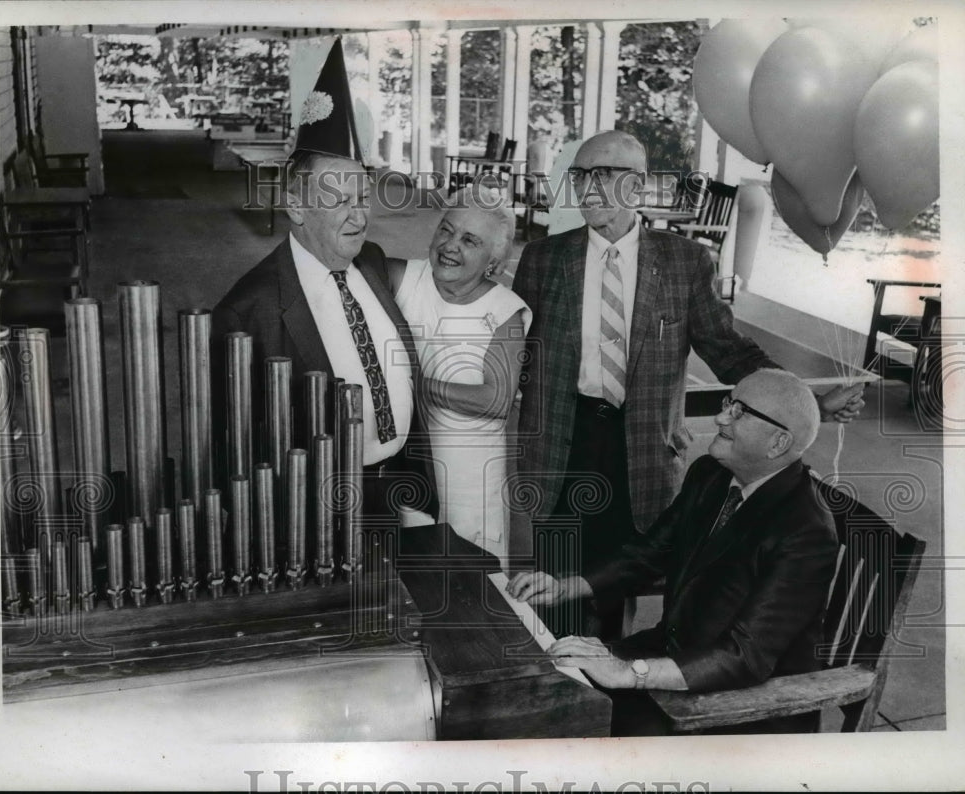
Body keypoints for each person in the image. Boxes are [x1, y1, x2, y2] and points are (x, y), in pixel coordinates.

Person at [510, 129, 862, 638]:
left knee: (615, 583)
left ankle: (608, 679)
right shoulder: (544, 259)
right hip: (560, 443)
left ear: (636, 187)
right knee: (556, 584)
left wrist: (805, 402)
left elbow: (728, 349)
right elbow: (514, 348)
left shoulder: (685, 261)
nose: (586, 188)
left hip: (640, 450)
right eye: (580, 175)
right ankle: (564, 687)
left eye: (602, 176)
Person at [508, 369, 839, 735]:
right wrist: (566, 587)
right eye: (728, 403)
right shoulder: (710, 474)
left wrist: (629, 673)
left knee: (568, 724)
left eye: (740, 412)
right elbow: (650, 552)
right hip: (675, 660)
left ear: (778, 443)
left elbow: (746, 656)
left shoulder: (806, 531)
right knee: (545, 689)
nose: (720, 417)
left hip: (746, 707)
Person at [210, 39, 438, 524]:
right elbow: (235, 444)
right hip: (316, 508)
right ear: (295, 205)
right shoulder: (247, 310)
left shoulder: (370, 260)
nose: (359, 216)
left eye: (363, 196)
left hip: (400, 484)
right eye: (339, 200)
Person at [388, 185, 531, 564]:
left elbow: (496, 400)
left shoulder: (505, 311)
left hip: (470, 480)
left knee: (468, 582)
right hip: (409, 465)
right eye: (446, 230)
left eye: (470, 240)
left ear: (493, 263)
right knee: (406, 571)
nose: (451, 245)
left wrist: (411, 385)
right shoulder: (403, 277)